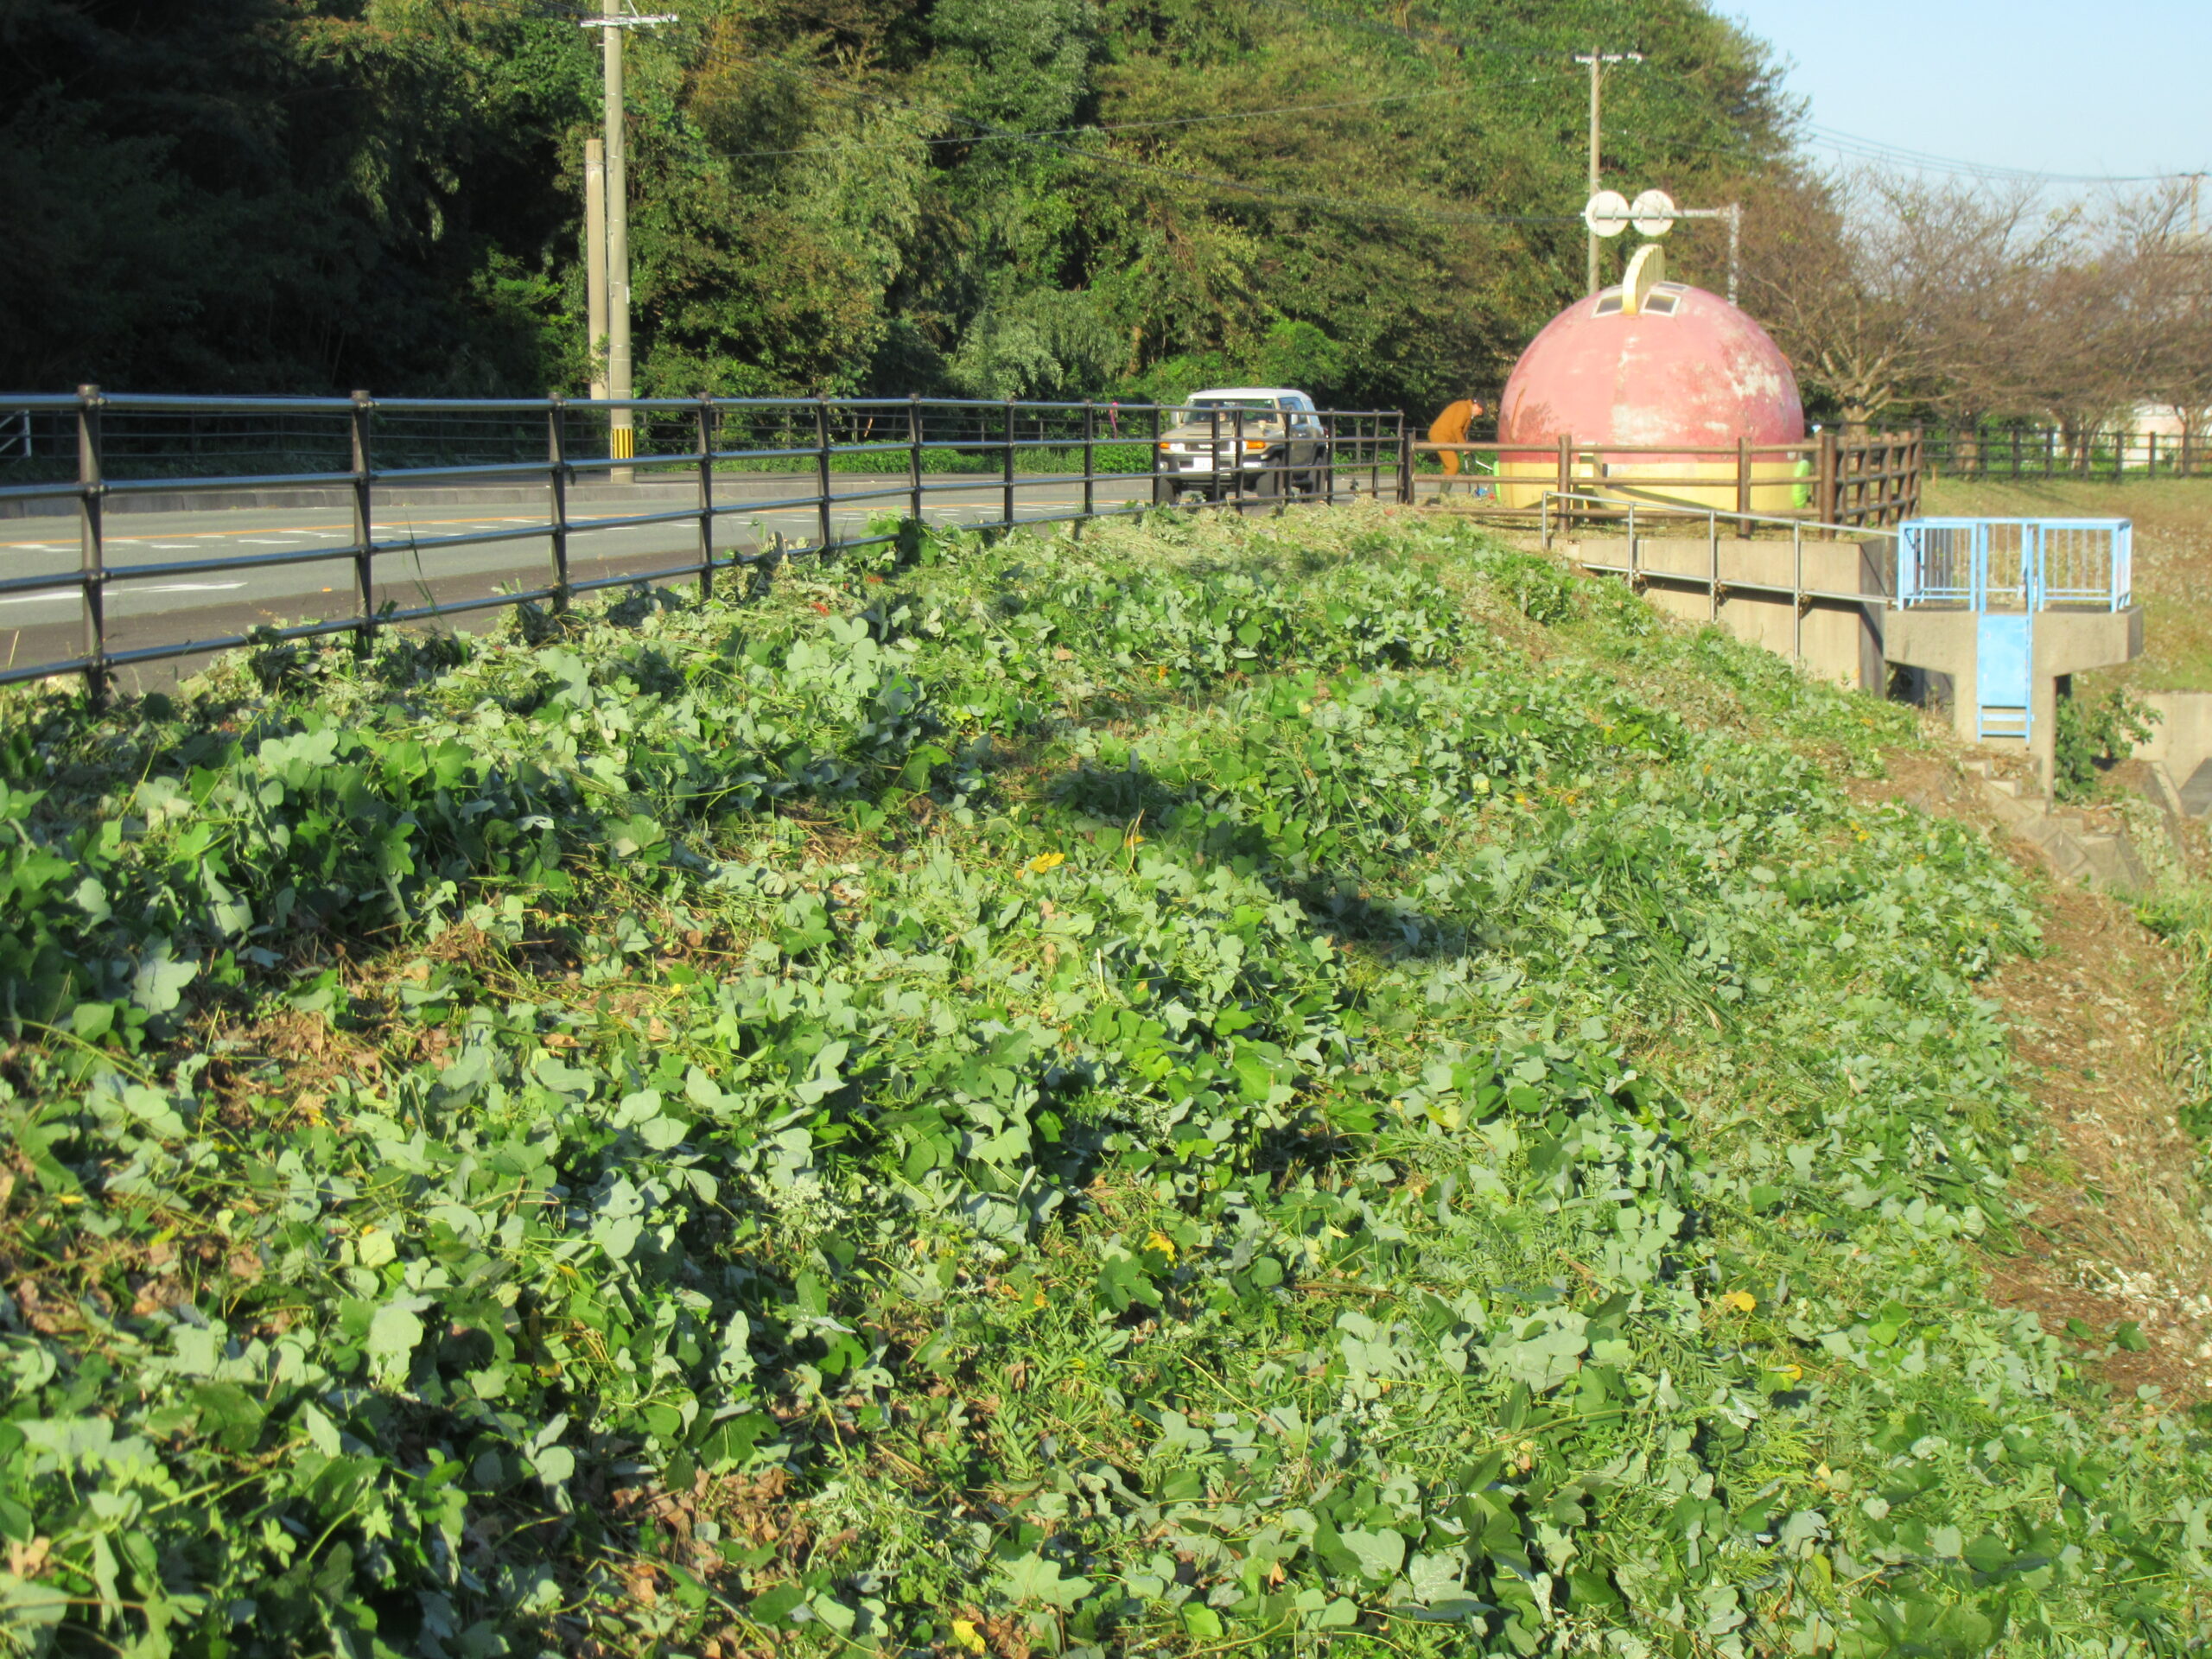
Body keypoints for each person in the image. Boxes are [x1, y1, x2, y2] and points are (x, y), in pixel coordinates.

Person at [1427, 398, 1486, 478]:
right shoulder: (1464, 408)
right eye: (1480, 411)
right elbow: (1456, 428)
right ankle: (1443, 490)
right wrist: (1464, 446)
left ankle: (1444, 488)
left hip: (1446, 438)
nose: (1479, 414)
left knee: (1451, 466)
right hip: (1441, 436)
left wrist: (1464, 445)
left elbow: (1460, 431)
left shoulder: (1466, 410)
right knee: (1453, 465)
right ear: (1476, 406)